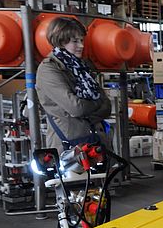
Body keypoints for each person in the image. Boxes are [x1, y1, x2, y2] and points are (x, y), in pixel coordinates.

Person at [36, 17, 112, 153]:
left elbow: (107, 107)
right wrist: (96, 104)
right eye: (75, 41)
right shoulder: (49, 69)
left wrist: (87, 112)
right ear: (60, 41)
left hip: (96, 141)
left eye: (81, 40)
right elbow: (76, 108)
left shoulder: (82, 66)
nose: (81, 46)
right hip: (69, 147)